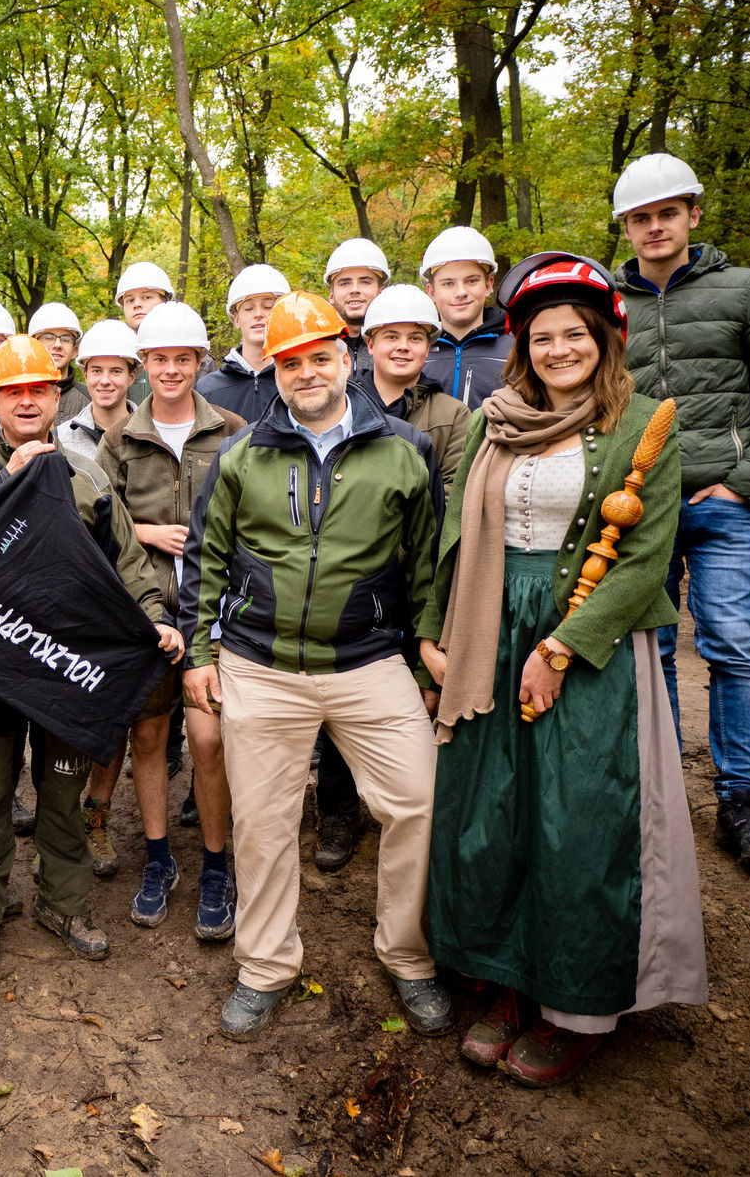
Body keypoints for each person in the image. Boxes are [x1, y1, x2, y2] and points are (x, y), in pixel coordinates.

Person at [419, 253, 706, 1088]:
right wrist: (437, 634)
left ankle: (575, 1002)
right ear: (521, 347)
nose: (556, 349)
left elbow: (646, 559)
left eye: (572, 335)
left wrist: (560, 648)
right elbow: (458, 534)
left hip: (589, 642)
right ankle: (508, 978)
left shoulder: (646, 421)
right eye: (541, 337)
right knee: (495, 812)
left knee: (578, 820)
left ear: (603, 339)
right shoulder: (493, 419)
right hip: (489, 631)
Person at [179, 290, 451, 1043]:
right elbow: (204, 559)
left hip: (368, 660)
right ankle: (265, 967)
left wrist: (427, 667)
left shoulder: (405, 450)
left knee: (417, 801)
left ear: (346, 357)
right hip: (260, 663)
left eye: (319, 357)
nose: (306, 372)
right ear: (276, 369)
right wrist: (198, 654)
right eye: (290, 361)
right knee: (263, 822)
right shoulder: (242, 454)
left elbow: (425, 565)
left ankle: (409, 954)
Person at [0, 336, 181, 980]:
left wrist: (154, 617)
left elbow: (128, 558)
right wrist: (3, 484)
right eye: (14, 391)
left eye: (39, 389)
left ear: (57, 394)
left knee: (62, 794)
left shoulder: (87, 470)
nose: (27, 401)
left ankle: (64, 904)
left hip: (65, 663)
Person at [610, 153, 750, 870]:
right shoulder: (608, 303)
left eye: (667, 213)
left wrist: (747, 481)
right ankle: (659, 793)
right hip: (639, 508)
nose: (654, 227)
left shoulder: (748, 292)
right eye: (640, 217)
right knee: (650, 650)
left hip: (722, 501)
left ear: (693, 213)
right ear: (626, 227)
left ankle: (740, 803)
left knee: (731, 642)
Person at [91, 303, 243, 938]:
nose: (172, 369)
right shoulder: (119, 439)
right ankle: (157, 860)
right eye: (160, 359)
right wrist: (147, 530)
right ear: (142, 366)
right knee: (149, 740)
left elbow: (252, 519)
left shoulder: (233, 430)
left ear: (200, 362)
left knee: (208, 743)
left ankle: (215, 864)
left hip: (211, 617)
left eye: (184, 358)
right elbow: (97, 519)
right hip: (145, 616)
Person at [363, 285, 471, 488]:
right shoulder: (343, 406)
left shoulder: (453, 415)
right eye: (391, 336)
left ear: (428, 348)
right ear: (370, 344)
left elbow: (454, 492)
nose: (403, 346)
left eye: (415, 338)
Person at [420, 226, 513, 410]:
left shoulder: (515, 350)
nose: (461, 292)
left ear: (488, 285)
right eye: (448, 283)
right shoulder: (416, 349)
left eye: (471, 281)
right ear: (431, 291)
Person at [199, 263, 291, 423]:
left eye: (268, 306)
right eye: (248, 308)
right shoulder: (208, 389)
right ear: (236, 319)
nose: (258, 314)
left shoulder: (300, 380)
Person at [57, 320, 139, 455]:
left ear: (131, 376)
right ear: (85, 374)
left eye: (115, 371)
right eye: (97, 371)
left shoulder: (151, 434)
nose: (105, 381)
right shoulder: (60, 440)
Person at [322, 238, 389, 373]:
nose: (354, 290)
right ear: (331, 295)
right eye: (345, 283)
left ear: (381, 292)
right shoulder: (318, 346)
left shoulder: (397, 348)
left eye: (365, 282)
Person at [115, 261, 174, 406]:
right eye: (129, 300)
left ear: (165, 301)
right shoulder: (115, 355)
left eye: (146, 297)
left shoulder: (194, 353)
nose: (137, 304)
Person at [29, 301, 88, 421]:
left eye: (65, 339)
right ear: (33, 347)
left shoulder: (89, 400)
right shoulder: (20, 398)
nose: (57, 345)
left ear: (74, 351)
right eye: (49, 338)